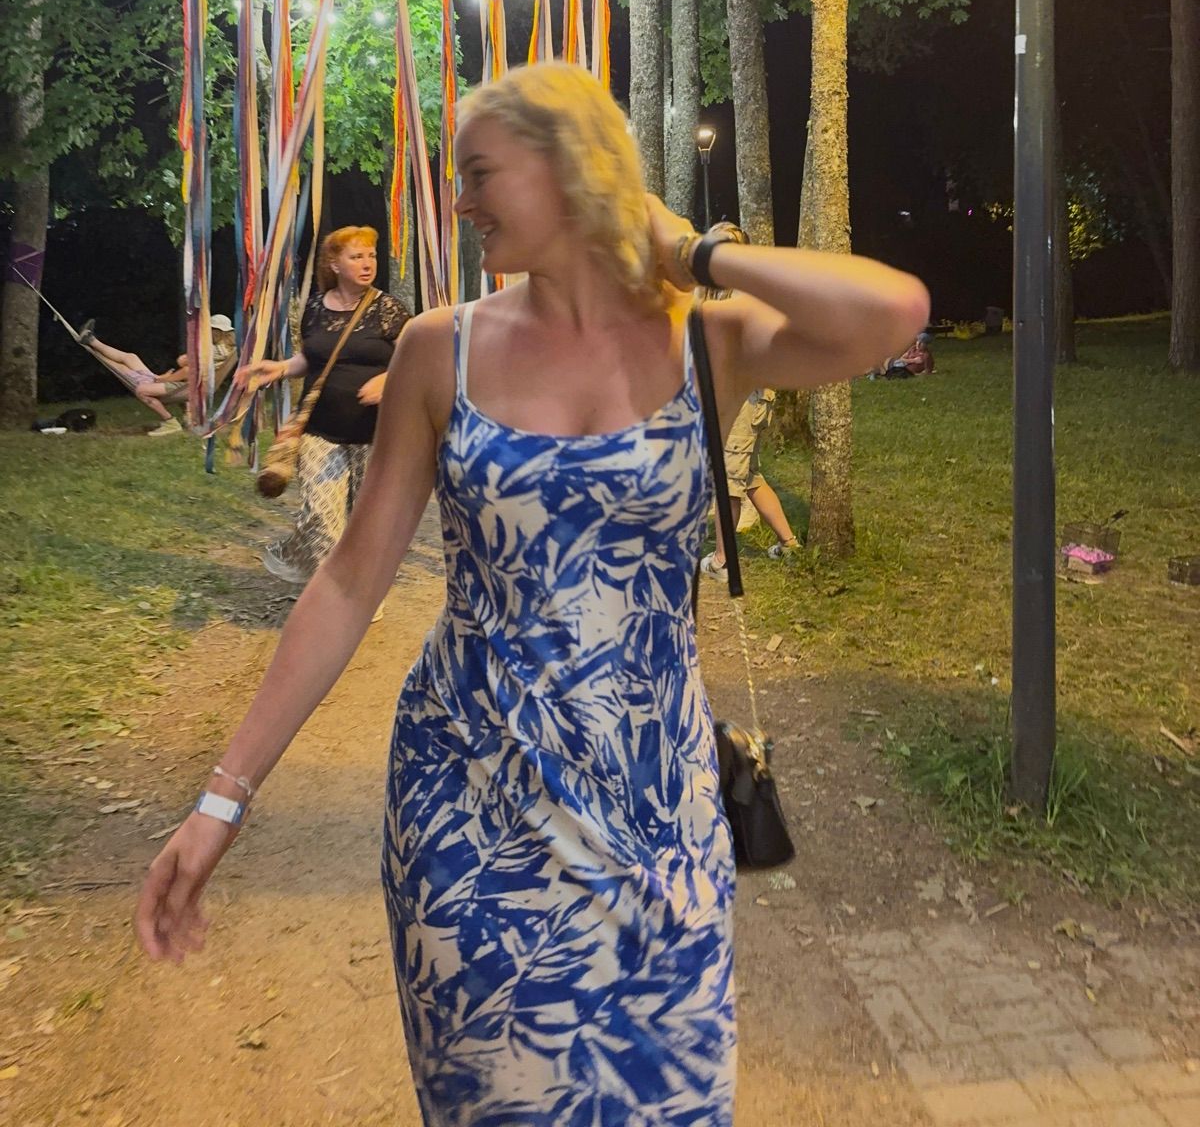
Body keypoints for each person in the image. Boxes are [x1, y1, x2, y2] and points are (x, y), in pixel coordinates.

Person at [135, 66, 929, 1126]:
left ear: (570, 170)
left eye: (480, 174)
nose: (459, 201)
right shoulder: (441, 348)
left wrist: (692, 252)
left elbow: (894, 312)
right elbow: (351, 580)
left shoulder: (707, 339)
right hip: (471, 807)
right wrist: (222, 799)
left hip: (655, 803)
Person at [238, 226, 408, 589]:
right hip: (319, 430)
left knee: (367, 520)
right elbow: (312, 357)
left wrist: (388, 379)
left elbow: (416, 358)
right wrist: (281, 368)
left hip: (374, 434)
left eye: (371, 255)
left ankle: (364, 592)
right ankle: (335, 595)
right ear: (334, 263)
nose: (368, 263)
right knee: (320, 514)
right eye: (357, 257)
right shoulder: (315, 307)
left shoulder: (388, 308)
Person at [694, 224, 801, 578]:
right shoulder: (720, 291)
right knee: (749, 475)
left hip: (747, 397)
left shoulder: (744, 293)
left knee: (728, 479)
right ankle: (789, 544)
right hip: (739, 397)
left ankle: (723, 561)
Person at [79, 314, 236, 435]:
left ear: (216, 332)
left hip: (189, 387)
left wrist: (163, 379)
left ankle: (170, 422)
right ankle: (91, 341)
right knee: (131, 358)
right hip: (190, 386)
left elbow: (186, 368)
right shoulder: (226, 349)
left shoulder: (211, 351)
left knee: (140, 388)